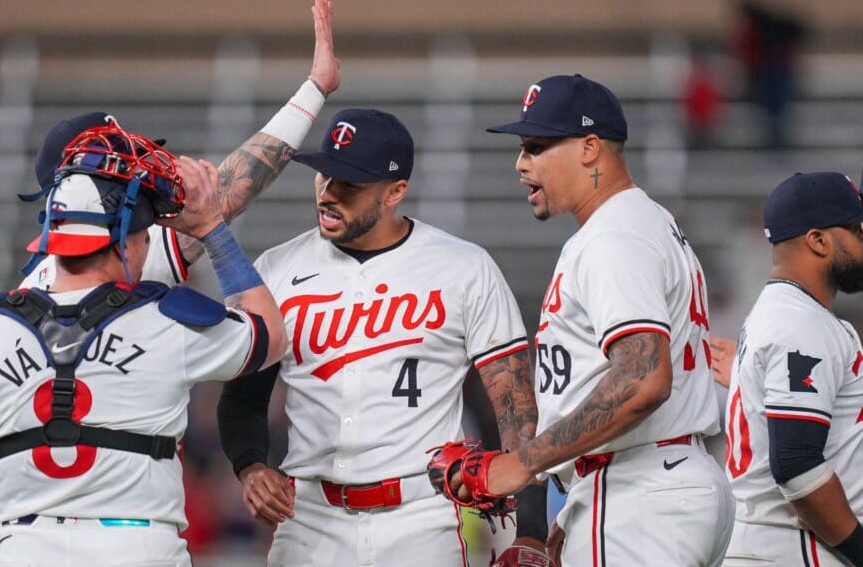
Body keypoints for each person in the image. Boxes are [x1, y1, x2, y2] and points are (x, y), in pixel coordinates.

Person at [0, 121, 286, 567]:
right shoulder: (165, 320)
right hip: (139, 549)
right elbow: (269, 335)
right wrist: (212, 228)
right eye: (143, 235)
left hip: (24, 550)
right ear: (124, 238)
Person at [216, 106, 536, 566]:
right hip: (308, 518)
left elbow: (517, 408)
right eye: (324, 175)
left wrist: (531, 530)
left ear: (395, 192)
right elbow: (243, 397)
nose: (328, 193)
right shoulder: (276, 269)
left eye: (350, 184)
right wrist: (249, 465)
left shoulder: (463, 267)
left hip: (421, 519)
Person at [477, 74, 734, 565]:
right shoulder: (643, 221)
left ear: (589, 148)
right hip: (653, 482)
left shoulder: (614, 235)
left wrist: (524, 462)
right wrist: (579, 503)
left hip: (640, 489)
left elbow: (643, 379)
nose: (521, 163)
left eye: (535, 146)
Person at [20, 0, 340, 291]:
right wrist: (314, 89)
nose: (137, 168)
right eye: (117, 163)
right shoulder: (116, 247)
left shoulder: (33, 290)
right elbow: (233, 189)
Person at [717, 172, 863, 566]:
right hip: (792, 549)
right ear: (818, 240)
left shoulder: (786, 313)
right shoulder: (801, 323)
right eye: (857, 230)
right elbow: (798, 465)